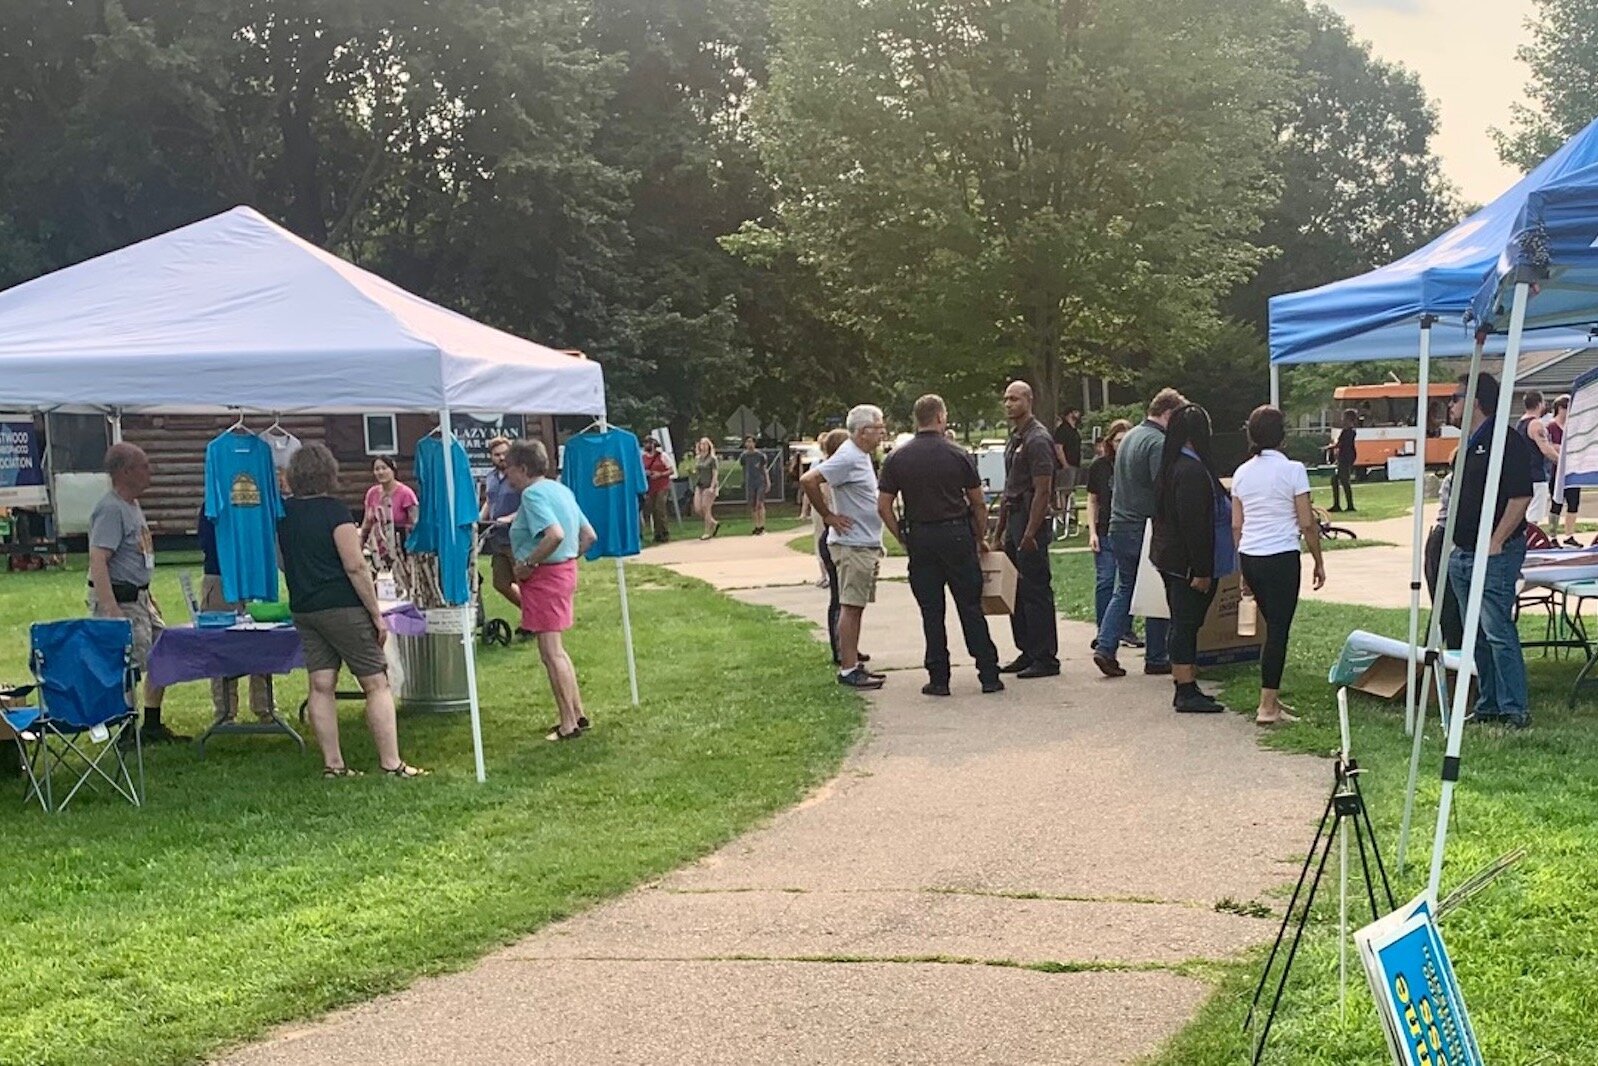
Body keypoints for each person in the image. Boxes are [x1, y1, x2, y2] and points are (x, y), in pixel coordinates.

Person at [279, 443, 427, 778]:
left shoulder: (284, 514)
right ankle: (391, 762)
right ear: (328, 472)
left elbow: (282, 560)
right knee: (376, 682)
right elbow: (355, 565)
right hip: (342, 605)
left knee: (320, 684)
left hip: (304, 606)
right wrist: (375, 614)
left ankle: (334, 764)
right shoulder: (334, 511)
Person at [878, 394, 1003, 696]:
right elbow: (977, 503)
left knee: (931, 611)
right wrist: (979, 535)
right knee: (969, 605)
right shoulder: (957, 454)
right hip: (956, 535)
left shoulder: (897, 458)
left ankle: (938, 677)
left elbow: (883, 505)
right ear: (940, 417)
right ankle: (987, 672)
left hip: (921, 536)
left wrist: (902, 537)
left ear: (916, 419)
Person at [1231, 406, 1326, 725]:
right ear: (1282, 436)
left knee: (1271, 627)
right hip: (1281, 556)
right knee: (1278, 631)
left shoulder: (1242, 472)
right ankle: (1267, 705)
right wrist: (1318, 559)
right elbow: (1307, 521)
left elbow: (1236, 525)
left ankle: (1271, 697)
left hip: (1251, 556)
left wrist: (1242, 567)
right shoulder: (1293, 470)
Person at [1449, 373, 1533, 729]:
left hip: (1495, 554)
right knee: (1476, 633)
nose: (1450, 405)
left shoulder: (1505, 441)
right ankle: (1489, 704)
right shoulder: (1468, 443)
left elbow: (1521, 496)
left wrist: (1496, 541)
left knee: (1498, 630)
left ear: (1475, 401)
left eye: (1456, 397)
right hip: (1462, 553)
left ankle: (1515, 708)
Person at [88, 443, 183, 744]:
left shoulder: (132, 505)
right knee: (128, 662)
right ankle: (126, 727)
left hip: (139, 597)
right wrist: (111, 609)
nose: (149, 471)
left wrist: (148, 593)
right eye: (143, 466)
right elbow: (98, 559)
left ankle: (152, 723)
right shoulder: (111, 509)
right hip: (120, 598)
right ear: (125, 472)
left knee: (162, 649)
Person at [506, 439, 598, 741]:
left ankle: (568, 723)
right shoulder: (561, 489)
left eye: (509, 469)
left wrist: (529, 564)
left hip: (545, 577)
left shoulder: (532, 495)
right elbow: (588, 536)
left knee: (550, 653)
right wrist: (569, 558)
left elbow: (554, 535)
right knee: (558, 651)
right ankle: (578, 712)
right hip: (564, 572)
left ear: (522, 468)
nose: (507, 475)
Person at [1092, 388, 1185, 678]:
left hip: (1119, 524)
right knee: (1155, 588)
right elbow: (1163, 487)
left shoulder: (1130, 437)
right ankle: (1156, 655)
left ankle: (1106, 645)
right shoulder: (1158, 442)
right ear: (1168, 414)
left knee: (1126, 588)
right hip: (1144, 526)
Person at [1151, 404, 1230, 713]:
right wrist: (1201, 569)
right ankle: (1184, 688)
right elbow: (1194, 525)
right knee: (1185, 623)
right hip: (1187, 563)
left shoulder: (1173, 466)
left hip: (1171, 557)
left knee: (1185, 622)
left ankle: (1188, 682)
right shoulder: (1192, 471)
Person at [803, 405, 889, 689]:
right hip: (852, 544)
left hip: (863, 542)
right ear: (863, 432)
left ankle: (853, 661)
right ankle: (848, 668)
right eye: (879, 429)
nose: (883, 434)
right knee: (850, 607)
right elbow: (809, 479)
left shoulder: (860, 456)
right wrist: (828, 516)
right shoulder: (849, 456)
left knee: (856, 605)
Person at [992, 381, 1060, 678]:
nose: (1008, 404)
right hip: (1015, 516)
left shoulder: (1038, 439)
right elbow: (1009, 489)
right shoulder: (1015, 437)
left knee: (1035, 589)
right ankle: (1027, 649)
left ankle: (1045, 656)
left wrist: (1031, 533)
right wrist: (998, 532)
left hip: (1031, 519)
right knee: (1016, 589)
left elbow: (1042, 490)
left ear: (1029, 401)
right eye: (1006, 399)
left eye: (1015, 399)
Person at [197, 506, 274, 725]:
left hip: (254, 576)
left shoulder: (256, 498)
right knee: (222, 642)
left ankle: (265, 706)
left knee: (262, 639)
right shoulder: (214, 501)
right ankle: (225, 711)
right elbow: (206, 541)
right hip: (220, 576)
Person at [1085, 419, 1138, 650]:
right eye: (1118, 440)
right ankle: (1104, 630)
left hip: (1129, 530)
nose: (1122, 444)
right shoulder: (1100, 466)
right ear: (1110, 442)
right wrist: (1092, 532)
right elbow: (1092, 499)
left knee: (1128, 583)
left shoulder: (1135, 464)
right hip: (1106, 530)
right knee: (1106, 581)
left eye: (1126, 440)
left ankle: (1125, 628)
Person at [1424, 459, 1464, 651]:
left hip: (1454, 538)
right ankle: (1455, 660)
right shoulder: (1455, 479)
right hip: (1447, 538)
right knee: (1448, 607)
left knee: (1454, 607)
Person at [479, 437, 522, 612]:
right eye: (497, 455)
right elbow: (490, 502)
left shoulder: (520, 475)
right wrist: (480, 520)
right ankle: (529, 612)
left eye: (505, 453)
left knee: (523, 580)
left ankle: (533, 621)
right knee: (501, 583)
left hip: (518, 538)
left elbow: (530, 504)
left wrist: (511, 517)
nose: (502, 457)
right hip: (497, 538)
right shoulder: (491, 477)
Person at [360, 456, 419, 567]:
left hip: (401, 544)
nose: (380, 472)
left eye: (384, 468)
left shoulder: (406, 493)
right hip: (378, 546)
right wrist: (360, 545)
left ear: (393, 470)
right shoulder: (372, 493)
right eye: (377, 469)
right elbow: (367, 523)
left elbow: (415, 523)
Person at [1518, 390, 1557, 527]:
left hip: (1523, 474)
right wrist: (1562, 463)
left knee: (1524, 515)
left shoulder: (1520, 423)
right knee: (1533, 518)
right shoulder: (1536, 424)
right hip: (1537, 475)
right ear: (1540, 404)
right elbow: (1545, 449)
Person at [1548, 394, 1580, 545]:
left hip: (1573, 470)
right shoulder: (1551, 426)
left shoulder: (1572, 427)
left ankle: (1569, 535)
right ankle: (1552, 536)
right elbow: (1552, 446)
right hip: (1557, 472)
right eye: (1567, 408)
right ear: (1560, 408)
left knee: (1573, 503)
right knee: (1556, 504)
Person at [641, 436, 675, 544]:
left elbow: (671, 470)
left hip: (662, 485)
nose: (646, 445)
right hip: (650, 487)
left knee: (660, 509)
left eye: (648, 443)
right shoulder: (642, 457)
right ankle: (657, 534)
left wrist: (660, 474)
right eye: (645, 443)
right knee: (652, 510)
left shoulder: (662, 456)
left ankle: (664, 534)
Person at [1053, 406, 1084, 520]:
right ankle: (1063, 514)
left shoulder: (1074, 429)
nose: (1078, 414)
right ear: (1070, 414)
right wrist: (1064, 464)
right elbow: (1058, 447)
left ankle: (1070, 513)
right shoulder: (1063, 429)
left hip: (1075, 464)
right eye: (1076, 411)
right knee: (1063, 490)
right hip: (1066, 465)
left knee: (1071, 490)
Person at [692, 437, 721, 540]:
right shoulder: (698, 458)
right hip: (699, 485)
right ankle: (714, 523)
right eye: (701, 444)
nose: (703, 446)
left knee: (706, 507)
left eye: (705, 444)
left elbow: (715, 473)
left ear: (709, 446)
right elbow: (697, 471)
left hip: (709, 485)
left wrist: (712, 487)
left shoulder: (712, 459)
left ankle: (707, 531)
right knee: (698, 509)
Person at [1328, 409, 1357, 512]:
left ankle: (1348, 505)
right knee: (1336, 479)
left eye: (1344, 417)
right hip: (1347, 456)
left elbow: (1340, 444)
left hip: (1345, 457)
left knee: (1344, 480)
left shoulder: (1347, 431)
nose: (1342, 419)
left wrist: (1330, 447)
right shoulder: (1350, 431)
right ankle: (1338, 504)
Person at [740, 436, 770, 535]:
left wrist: (768, 482)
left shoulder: (760, 456)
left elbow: (765, 469)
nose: (749, 444)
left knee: (759, 504)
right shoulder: (744, 456)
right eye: (747, 442)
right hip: (750, 482)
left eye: (751, 442)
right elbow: (744, 468)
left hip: (760, 481)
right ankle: (756, 526)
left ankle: (762, 526)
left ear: (754, 443)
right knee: (752, 505)